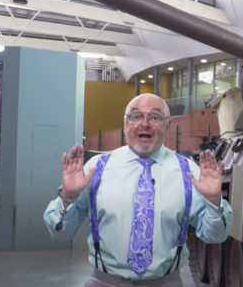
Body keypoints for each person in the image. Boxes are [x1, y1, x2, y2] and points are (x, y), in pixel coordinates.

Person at [43, 93, 232, 286]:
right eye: (136, 116)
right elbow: (60, 234)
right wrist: (68, 196)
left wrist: (213, 201)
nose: (145, 123)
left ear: (167, 125)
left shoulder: (189, 172)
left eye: (155, 117)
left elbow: (215, 236)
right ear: (125, 124)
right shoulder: (96, 168)